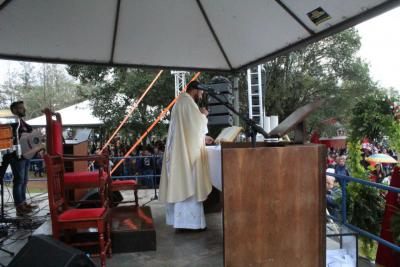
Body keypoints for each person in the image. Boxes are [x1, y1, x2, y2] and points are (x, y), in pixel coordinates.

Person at [159, 81, 213, 230]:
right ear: (194, 90)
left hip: (180, 150)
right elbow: (195, 126)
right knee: (189, 183)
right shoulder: (187, 103)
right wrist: (204, 115)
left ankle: (182, 223)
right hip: (186, 155)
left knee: (181, 183)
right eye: (200, 92)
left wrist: (203, 138)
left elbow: (188, 131)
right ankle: (190, 225)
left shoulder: (180, 102)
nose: (201, 94)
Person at [0, 101, 38, 216]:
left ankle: (23, 203)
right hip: (16, 156)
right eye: (21, 108)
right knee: (19, 180)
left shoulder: (21, 121)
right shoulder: (11, 122)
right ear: (15, 110)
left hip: (25, 154)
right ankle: (19, 206)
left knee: (24, 180)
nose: (24, 109)